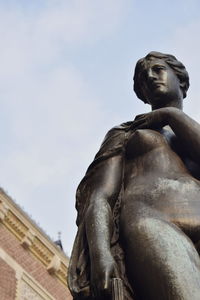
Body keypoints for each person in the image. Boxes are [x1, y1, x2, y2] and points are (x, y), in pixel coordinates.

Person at [68, 52, 200, 300]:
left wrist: (172, 115)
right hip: (155, 224)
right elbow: (99, 196)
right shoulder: (128, 133)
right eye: (142, 78)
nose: (149, 77)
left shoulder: (189, 134)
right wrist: (101, 254)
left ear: (180, 80)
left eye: (157, 70)